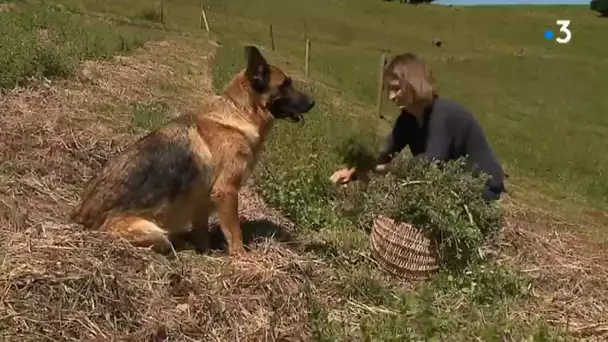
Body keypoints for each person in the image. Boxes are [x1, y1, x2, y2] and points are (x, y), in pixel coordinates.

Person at [330, 53, 506, 201]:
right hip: (451, 183)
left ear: (413, 84)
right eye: (388, 90)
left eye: (396, 89)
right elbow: (384, 153)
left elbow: (432, 161)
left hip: (479, 185)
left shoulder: (443, 113)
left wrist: (387, 170)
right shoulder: (407, 118)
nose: (391, 97)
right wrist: (353, 171)